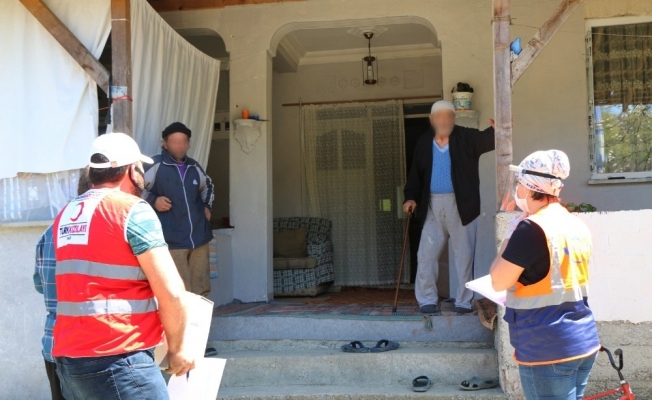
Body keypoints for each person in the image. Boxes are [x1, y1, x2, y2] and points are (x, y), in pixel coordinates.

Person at [52, 132, 194, 399]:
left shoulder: (66, 214)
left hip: (70, 360)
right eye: (140, 169)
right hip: (120, 357)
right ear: (131, 170)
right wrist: (177, 350)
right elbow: (172, 293)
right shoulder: (132, 209)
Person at [490, 150, 600, 400]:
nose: (517, 189)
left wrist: (510, 234)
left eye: (519, 183)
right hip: (582, 341)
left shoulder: (531, 228)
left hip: (547, 347)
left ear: (529, 187)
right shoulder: (575, 224)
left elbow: (498, 281)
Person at [403, 100, 495, 314]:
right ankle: (427, 299)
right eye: (439, 116)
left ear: (454, 118)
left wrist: (498, 129)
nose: (443, 121)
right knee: (426, 255)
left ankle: (463, 302)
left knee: (464, 256)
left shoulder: (466, 137)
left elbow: (487, 140)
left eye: (448, 116)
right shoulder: (424, 142)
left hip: (461, 204)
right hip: (432, 205)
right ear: (432, 119)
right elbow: (416, 174)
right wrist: (410, 197)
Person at [33, 167, 91, 400]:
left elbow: (40, 285)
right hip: (94, 349)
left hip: (54, 344)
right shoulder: (107, 228)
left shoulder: (50, 231)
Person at [142, 122, 214, 297]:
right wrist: (153, 200)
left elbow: (208, 186)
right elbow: (133, 187)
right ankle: (182, 318)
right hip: (171, 240)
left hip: (199, 238)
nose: (179, 146)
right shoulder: (154, 164)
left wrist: (207, 206)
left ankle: (200, 317)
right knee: (179, 291)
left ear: (188, 144)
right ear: (165, 144)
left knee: (201, 290)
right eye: (174, 142)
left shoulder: (193, 166)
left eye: (183, 141)